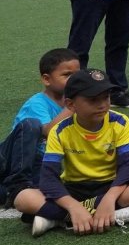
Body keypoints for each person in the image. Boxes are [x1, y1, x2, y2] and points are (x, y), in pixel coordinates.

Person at [13, 68, 129, 236]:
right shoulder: (59, 130)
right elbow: (48, 178)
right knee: (23, 198)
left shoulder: (120, 122)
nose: (102, 105)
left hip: (110, 186)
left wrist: (109, 198)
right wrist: (73, 206)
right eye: (93, 100)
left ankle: (57, 219)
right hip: (73, 189)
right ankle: (114, 215)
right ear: (71, 104)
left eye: (106, 97)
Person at [0, 49, 78, 207]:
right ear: (47, 79)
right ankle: (18, 183)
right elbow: (50, 132)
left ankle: (9, 191)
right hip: (10, 161)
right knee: (31, 124)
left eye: (77, 75)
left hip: (39, 165)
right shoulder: (37, 103)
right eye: (67, 75)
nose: (74, 80)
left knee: (59, 190)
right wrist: (73, 107)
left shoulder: (74, 105)